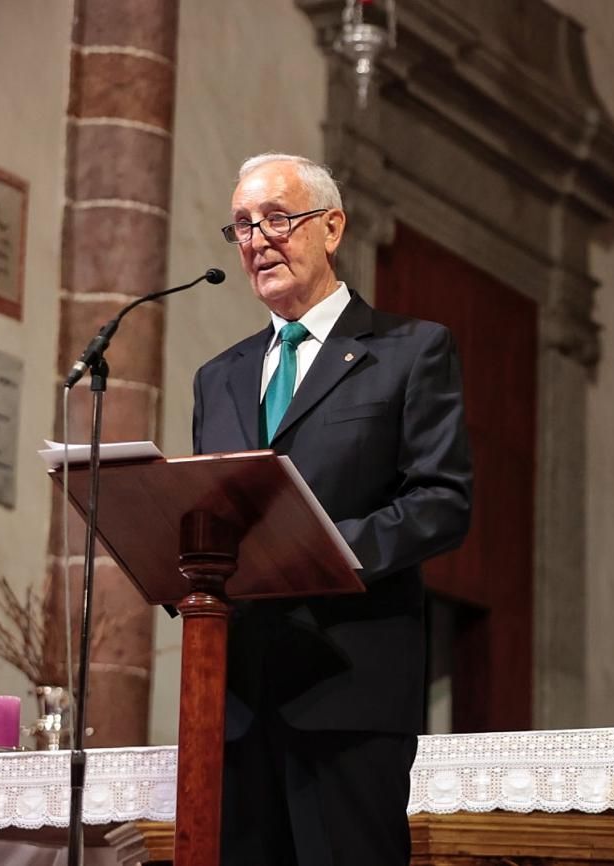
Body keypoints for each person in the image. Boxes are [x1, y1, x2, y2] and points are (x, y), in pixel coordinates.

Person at [192, 152, 473, 865]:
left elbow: (442, 500)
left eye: (277, 219)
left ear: (332, 227)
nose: (257, 240)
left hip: (348, 690)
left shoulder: (409, 352)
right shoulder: (217, 378)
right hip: (235, 705)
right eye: (242, 226)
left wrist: (329, 546)